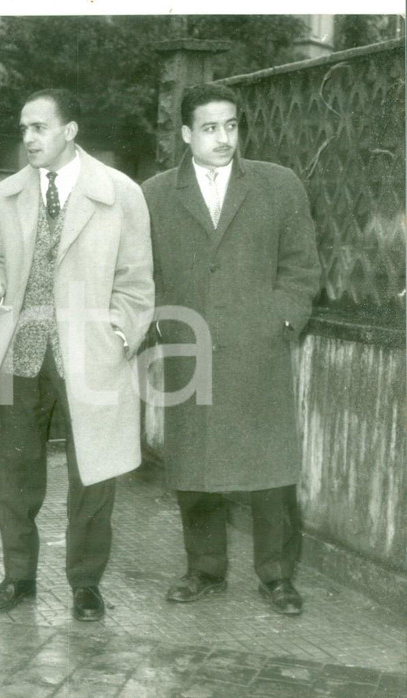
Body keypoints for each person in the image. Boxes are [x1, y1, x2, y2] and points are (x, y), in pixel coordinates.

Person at [0, 88, 154, 622]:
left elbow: (137, 282)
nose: (28, 139)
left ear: (70, 131)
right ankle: (18, 578)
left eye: (39, 127)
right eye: (23, 129)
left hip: (90, 356)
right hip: (20, 351)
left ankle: (85, 584)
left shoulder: (120, 193)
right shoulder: (6, 195)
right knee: (14, 478)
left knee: (93, 476)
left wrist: (117, 333)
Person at [141, 83, 321, 616]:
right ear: (185, 134)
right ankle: (204, 569)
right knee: (193, 468)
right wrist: (162, 330)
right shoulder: (153, 194)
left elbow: (301, 266)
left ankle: (277, 576)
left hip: (256, 351)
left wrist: (280, 321)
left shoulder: (277, 185)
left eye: (232, 126)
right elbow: (140, 273)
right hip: (188, 353)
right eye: (211, 128)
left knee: (270, 472)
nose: (224, 138)